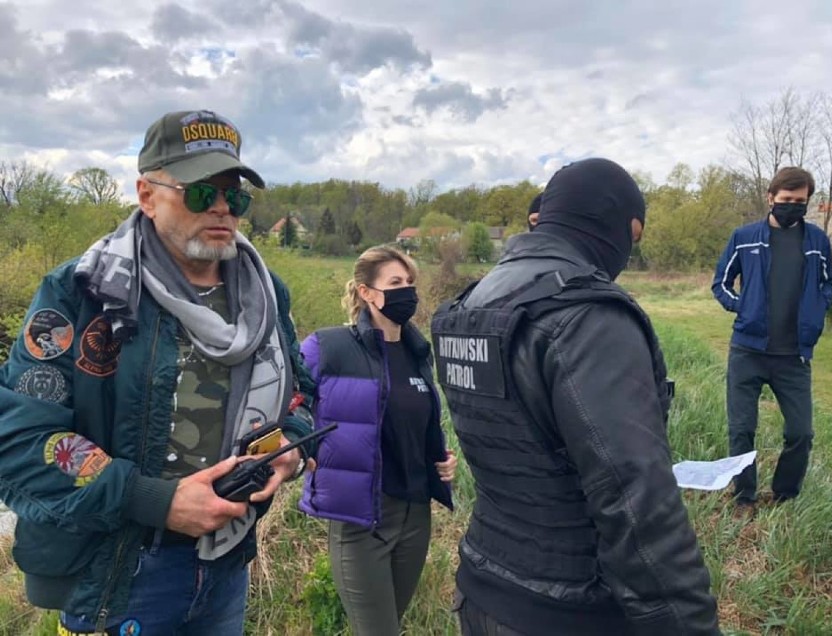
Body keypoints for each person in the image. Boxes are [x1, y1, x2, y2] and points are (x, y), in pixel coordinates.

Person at [0, 109, 318, 635]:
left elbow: (302, 395)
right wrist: (157, 500)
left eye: (234, 196)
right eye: (200, 193)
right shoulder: (82, 292)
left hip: (226, 562)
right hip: (119, 572)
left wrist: (289, 453)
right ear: (147, 195)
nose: (221, 208)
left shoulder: (266, 295)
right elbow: (18, 437)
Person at [432, 158, 720, 635]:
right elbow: (636, 504)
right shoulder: (587, 317)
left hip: (481, 589)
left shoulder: (468, 306)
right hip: (567, 611)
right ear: (627, 227)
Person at [298, 245, 457, 636]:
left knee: (391, 626)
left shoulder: (419, 352)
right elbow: (290, 403)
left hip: (415, 515)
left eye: (411, 283)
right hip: (362, 519)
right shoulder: (329, 347)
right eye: (396, 283)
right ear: (367, 292)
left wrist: (441, 460)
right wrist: (303, 450)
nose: (408, 292)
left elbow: (413, 423)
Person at [712, 166, 832, 507]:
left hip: (794, 356)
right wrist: (744, 308)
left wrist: (817, 307)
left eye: (800, 201)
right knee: (741, 430)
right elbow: (720, 283)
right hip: (747, 351)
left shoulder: (817, 241)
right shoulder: (744, 236)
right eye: (786, 199)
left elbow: (828, 283)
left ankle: (784, 495)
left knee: (801, 433)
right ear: (771, 198)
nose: (793, 205)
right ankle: (743, 499)